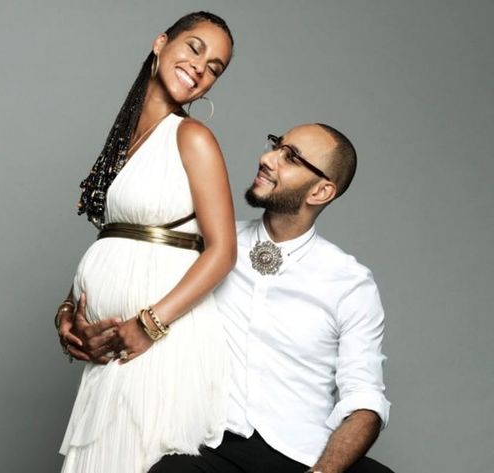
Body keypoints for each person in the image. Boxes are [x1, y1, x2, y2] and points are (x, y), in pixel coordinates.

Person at [68, 123, 393, 472]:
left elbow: (365, 400)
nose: (267, 158)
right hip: (211, 445)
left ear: (321, 191)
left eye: (290, 157)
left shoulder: (349, 283)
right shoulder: (209, 247)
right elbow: (123, 264)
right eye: (276, 145)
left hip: (303, 454)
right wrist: (67, 313)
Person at [54, 12, 236, 473]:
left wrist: (149, 325)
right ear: (160, 43)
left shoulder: (193, 137)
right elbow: (114, 240)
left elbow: (223, 251)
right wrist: (68, 311)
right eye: (194, 48)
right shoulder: (124, 139)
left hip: (161, 345)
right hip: (111, 354)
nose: (200, 68)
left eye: (214, 67)